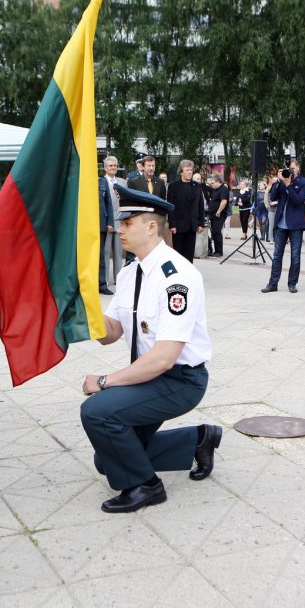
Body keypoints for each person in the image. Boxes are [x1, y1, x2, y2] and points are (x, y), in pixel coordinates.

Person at [80, 184, 218, 513]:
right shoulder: (129, 273)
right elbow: (110, 334)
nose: (120, 229)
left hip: (179, 380)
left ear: (151, 226)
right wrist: (88, 306)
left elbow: (164, 358)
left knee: (97, 412)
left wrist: (104, 381)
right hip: (152, 376)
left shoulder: (177, 277)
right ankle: (198, 440)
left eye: (128, 223)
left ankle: (146, 486)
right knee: (106, 460)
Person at [261, 159, 305, 293]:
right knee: (277, 255)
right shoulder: (281, 182)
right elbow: (273, 197)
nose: (291, 171)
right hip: (281, 224)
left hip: (296, 225)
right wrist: (278, 181)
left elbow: (298, 201)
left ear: (298, 168)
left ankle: (292, 283)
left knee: (295, 256)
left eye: (293, 168)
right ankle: (272, 284)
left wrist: (288, 185)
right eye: (289, 168)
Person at [166, 159, 204, 262]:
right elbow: (170, 207)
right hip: (178, 227)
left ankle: (189, 276)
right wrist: (172, 224)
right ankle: (179, 277)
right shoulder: (173, 187)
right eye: (187, 170)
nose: (190, 172)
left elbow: (200, 206)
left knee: (189, 254)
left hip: (192, 227)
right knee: (178, 255)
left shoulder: (197, 186)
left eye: (191, 170)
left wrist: (201, 224)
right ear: (181, 172)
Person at [99, 156, 125, 284]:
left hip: (120, 221)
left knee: (119, 253)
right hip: (107, 222)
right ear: (105, 168)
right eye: (110, 165)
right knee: (105, 252)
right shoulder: (100, 182)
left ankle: (119, 279)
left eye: (115, 165)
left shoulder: (123, 182)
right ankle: (104, 280)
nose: (113, 167)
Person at [97, 160, 115, 295]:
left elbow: (108, 203)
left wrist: (110, 222)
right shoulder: (83, 179)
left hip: (102, 224)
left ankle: (102, 285)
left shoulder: (102, 182)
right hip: (87, 224)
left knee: (101, 256)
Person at [206, 175, 229, 257]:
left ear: (218, 182)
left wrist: (219, 211)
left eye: (212, 183)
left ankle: (219, 252)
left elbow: (224, 202)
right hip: (213, 214)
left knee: (216, 231)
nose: (211, 184)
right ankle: (216, 250)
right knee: (214, 232)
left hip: (219, 214)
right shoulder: (215, 189)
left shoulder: (223, 189)